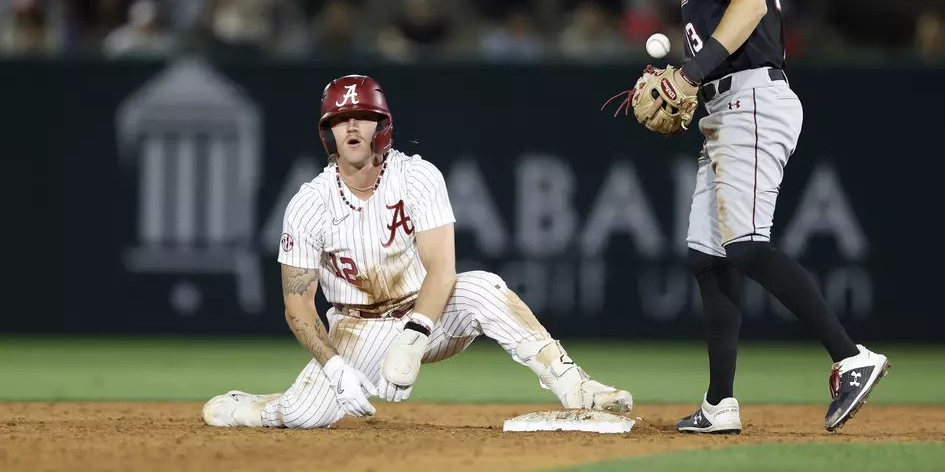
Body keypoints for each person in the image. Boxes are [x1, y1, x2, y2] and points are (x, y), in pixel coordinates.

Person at [622, 0, 889, 434]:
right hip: (725, 105)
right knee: (708, 255)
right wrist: (696, 81)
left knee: (743, 245)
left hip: (749, 100)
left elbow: (751, 5)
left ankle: (852, 357)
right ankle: (721, 404)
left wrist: (688, 75)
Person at [202, 75, 632, 428]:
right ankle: (258, 408)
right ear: (328, 132)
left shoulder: (417, 176)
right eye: (341, 119)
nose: (351, 127)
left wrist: (415, 335)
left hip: (429, 313)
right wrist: (335, 368)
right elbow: (297, 306)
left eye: (362, 117)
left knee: (483, 287)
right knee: (303, 414)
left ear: (381, 125)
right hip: (358, 330)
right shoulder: (309, 203)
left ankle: (576, 386)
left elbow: (442, 268)